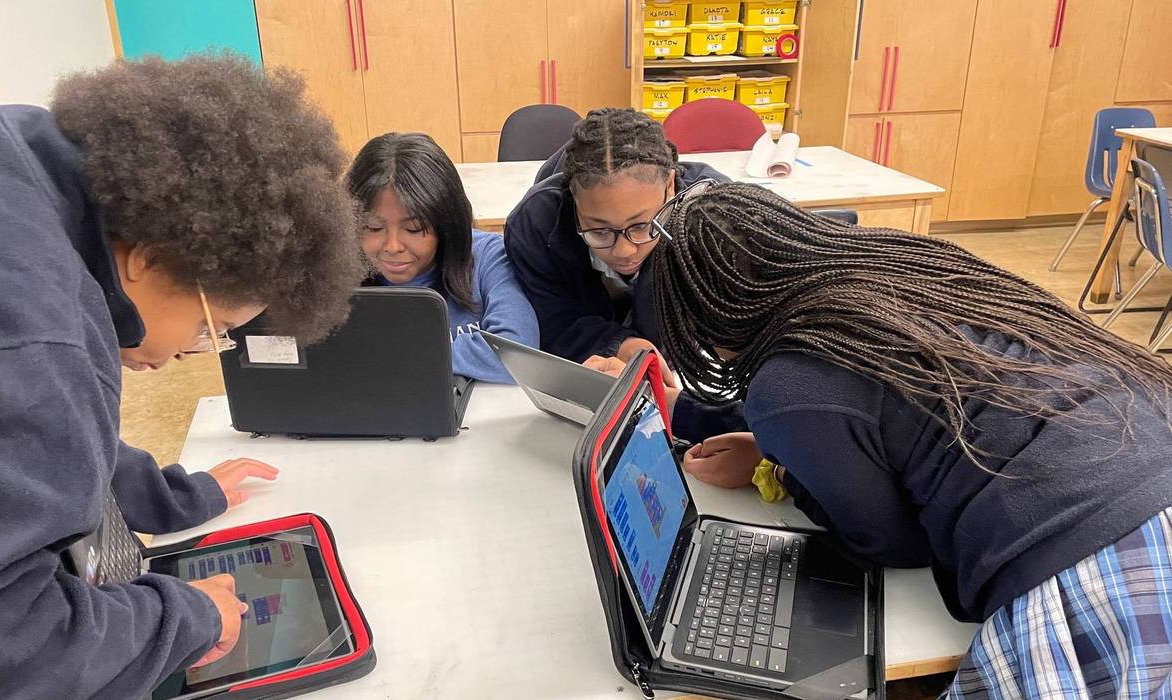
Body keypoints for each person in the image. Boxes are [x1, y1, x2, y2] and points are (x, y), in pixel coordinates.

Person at [601, 180, 1172, 697]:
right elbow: (883, 413)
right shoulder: (898, 269)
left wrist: (780, 473)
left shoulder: (788, 380)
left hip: (1092, 553)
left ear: (710, 318)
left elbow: (891, 544)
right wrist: (769, 447)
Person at [0, 54, 365, 699]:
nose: (199, 352)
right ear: (151, 257)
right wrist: (188, 617)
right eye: (209, 328)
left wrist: (166, 495)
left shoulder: (18, 154)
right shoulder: (35, 342)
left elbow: (17, 445)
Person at [503, 107, 726, 376]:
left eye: (642, 226)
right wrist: (623, 346)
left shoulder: (715, 215)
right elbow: (553, 321)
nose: (625, 250)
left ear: (670, 186)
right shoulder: (535, 224)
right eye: (600, 231)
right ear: (573, 199)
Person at [347, 132, 538, 384]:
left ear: (446, 223)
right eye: (372, 227)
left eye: (414, 229)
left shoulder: (487, 256)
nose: (392, 246)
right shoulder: (338, 268)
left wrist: (387, 357)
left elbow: (518, 352)